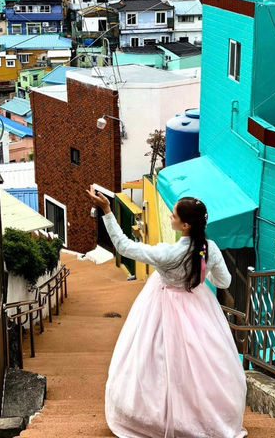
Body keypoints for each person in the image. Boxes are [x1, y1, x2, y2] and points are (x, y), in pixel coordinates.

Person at [87, 186, 248, 438]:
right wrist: (203, 272)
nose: (171, 217)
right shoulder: (209, 248)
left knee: (155, 361)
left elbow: (123, 246)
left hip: (161, 306)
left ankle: (153, 418)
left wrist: (107, 210)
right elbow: (224, 282)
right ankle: (203, 417)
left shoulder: (167, 254)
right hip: (198, 306)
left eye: (173, 215)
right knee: (200, 364)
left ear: (185, 226)